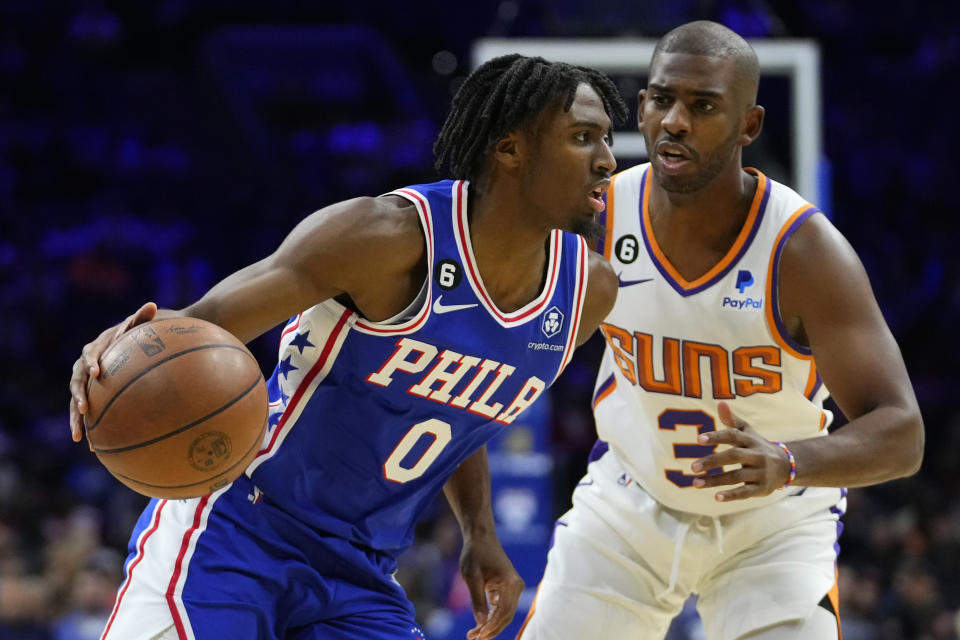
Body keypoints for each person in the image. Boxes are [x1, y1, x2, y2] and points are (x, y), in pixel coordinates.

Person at [67, 53, 628, 640]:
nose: (607, 160)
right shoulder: (382, 237)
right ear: (511, 150)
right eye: (582, 138)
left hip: (361, 571)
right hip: (239, 530)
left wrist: (480, 532)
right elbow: (198, 326)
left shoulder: (587, 293)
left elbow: (457, 409)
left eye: (606, 140)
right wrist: (118, 350)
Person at [517, 21, 924, 640]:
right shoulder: (596, 218)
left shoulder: (804, 252)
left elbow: (902, 432)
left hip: (774, 520)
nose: (674, 121)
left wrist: (790, 462)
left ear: (748, 126)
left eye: (702, 105)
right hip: (631, 500)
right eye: (661, 99)